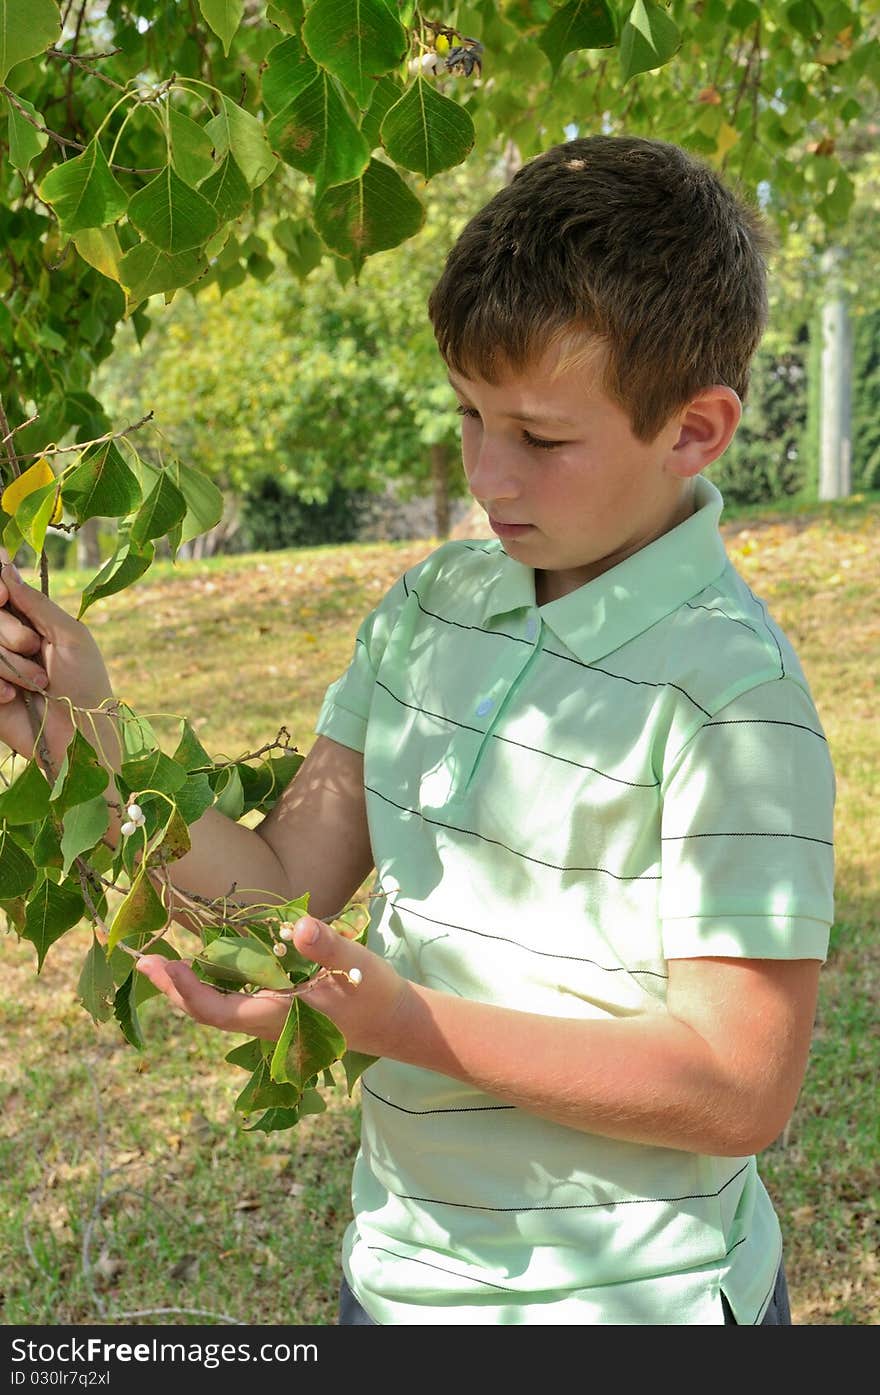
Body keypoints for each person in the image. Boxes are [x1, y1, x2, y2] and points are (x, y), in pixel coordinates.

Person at [0, 135, 835, 1326]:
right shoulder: (429, 609)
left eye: (541, 438)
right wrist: (87, 731)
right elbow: (282, 889)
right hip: (397, 1284)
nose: (487, 473)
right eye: (467, 414)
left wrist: (411, 1025)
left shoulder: (730, 701)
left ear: (693, 432)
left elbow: (738, 1088)